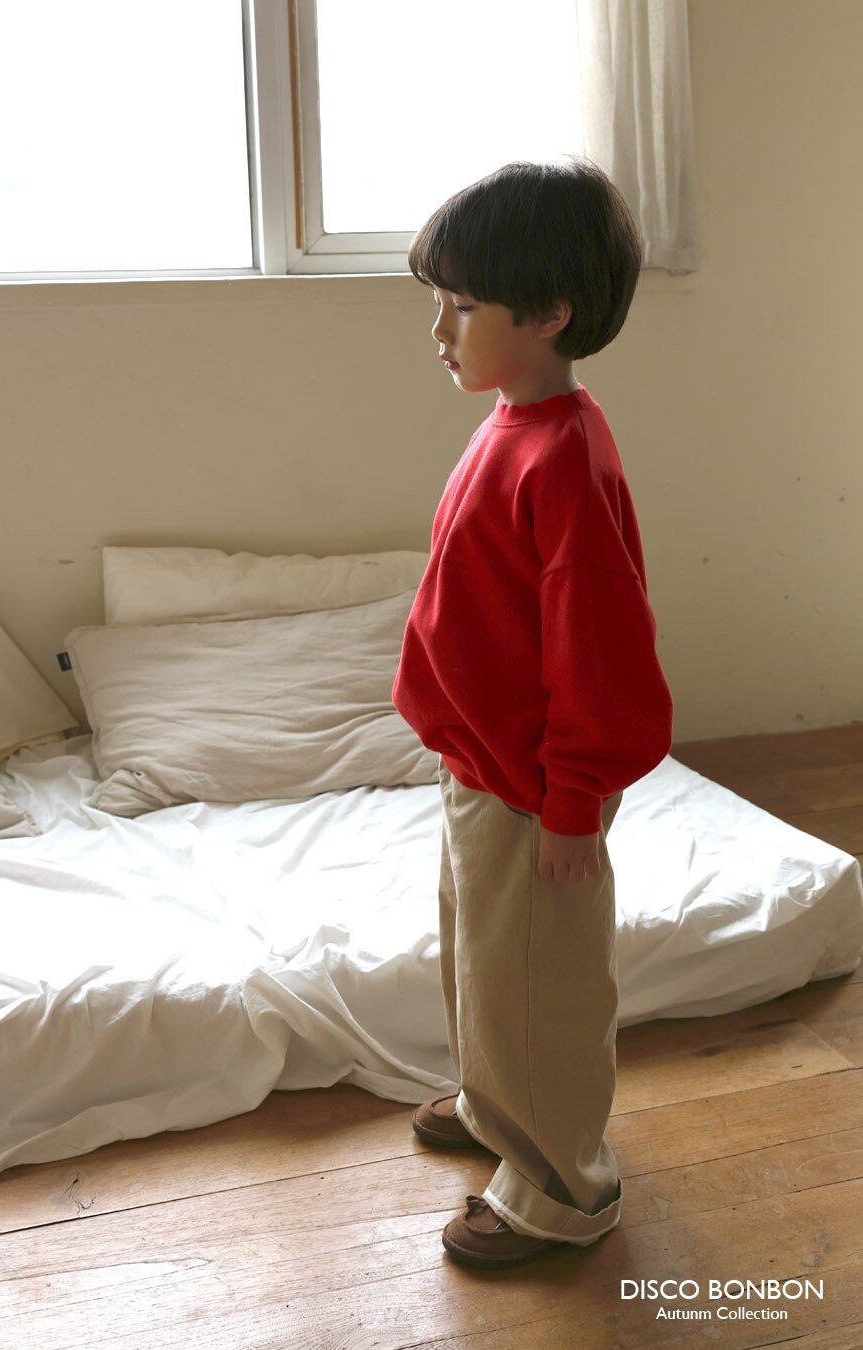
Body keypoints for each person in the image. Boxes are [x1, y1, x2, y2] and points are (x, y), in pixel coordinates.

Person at [391, 158, 675, 1270]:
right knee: (484, 962)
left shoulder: (565, 457)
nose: (439, 331)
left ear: (550, 312)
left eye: (463, 306)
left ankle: (561, 1186)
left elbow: (600, 656)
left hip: (533, 784)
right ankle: (493, 1101)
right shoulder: (510, 421)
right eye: (438, 302)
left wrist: (573, 802)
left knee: (539, 988)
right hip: (480, 763)